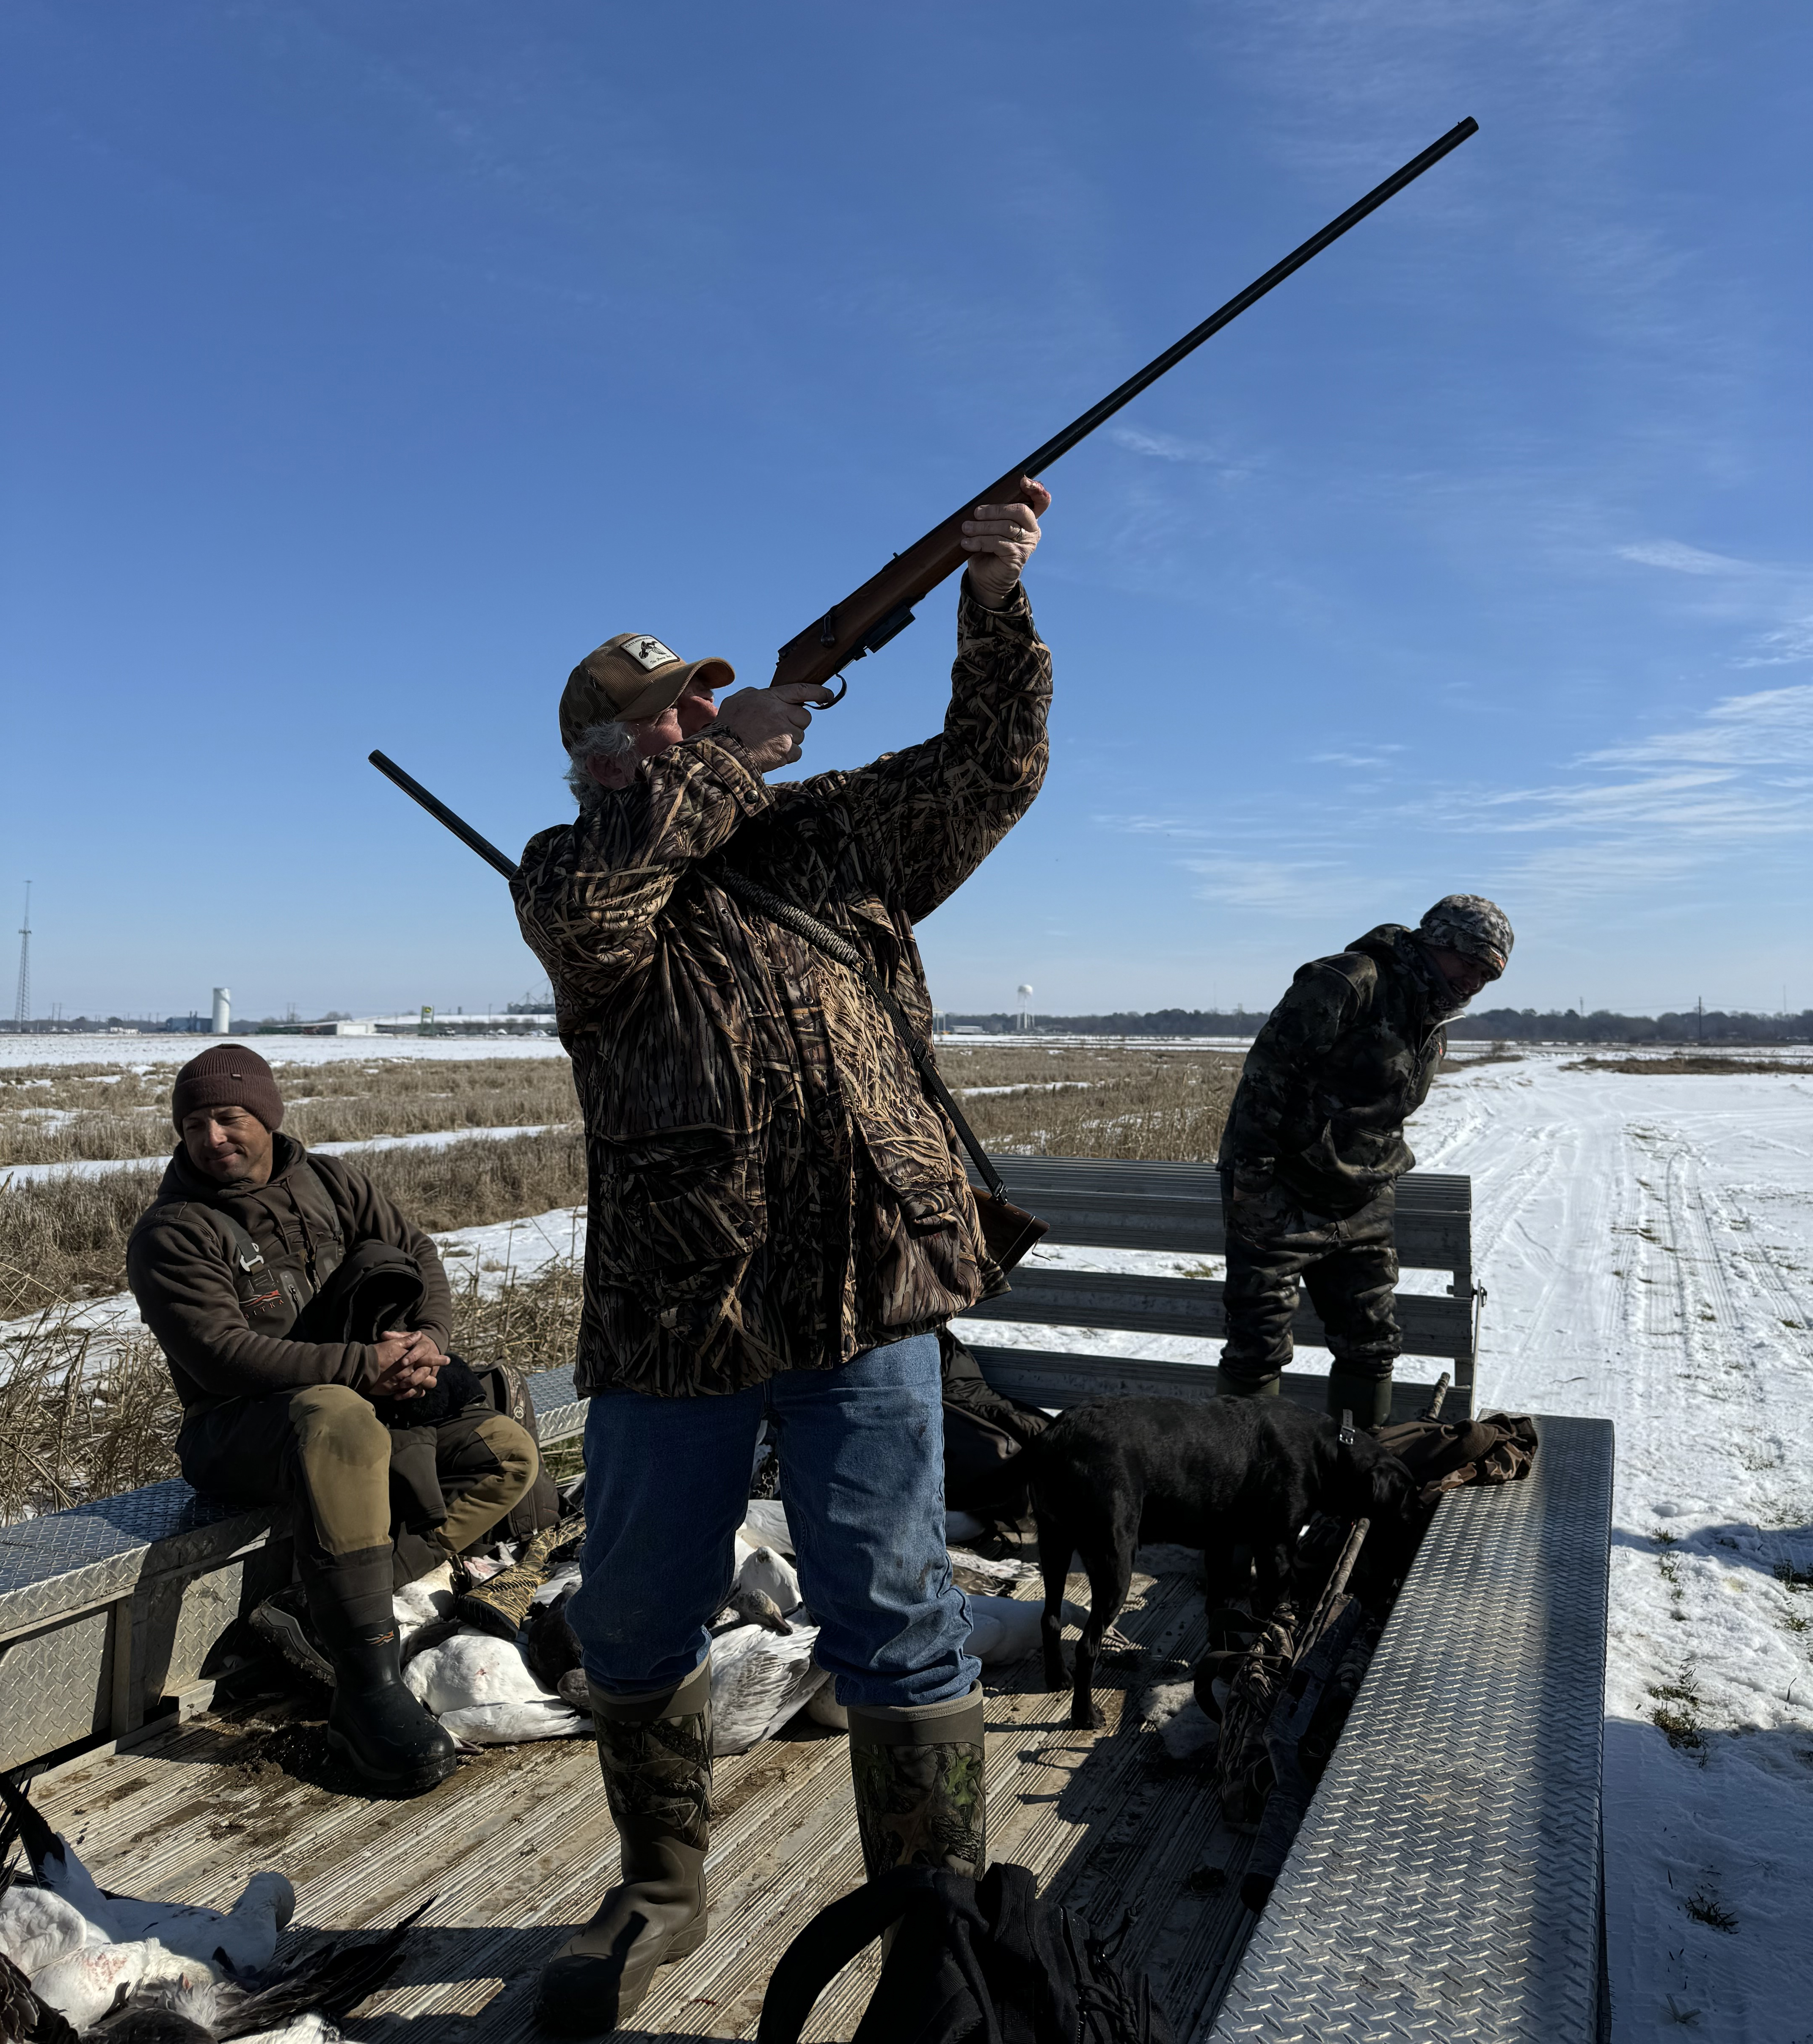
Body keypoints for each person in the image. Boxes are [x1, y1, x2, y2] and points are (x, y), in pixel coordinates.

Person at [510, 485, 1053, 2030]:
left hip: (859, 1291)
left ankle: (936, 1941)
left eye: (696, 701)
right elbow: (620, 887)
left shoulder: (822, 842)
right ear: (602, 758)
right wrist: (734, 752)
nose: (687, 724)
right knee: (629, 1620)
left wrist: (991, 598)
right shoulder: (568, 873)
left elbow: (991, 767)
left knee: (892, 1610)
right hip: (674, 1312)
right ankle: (664, 1890)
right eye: (659, 719)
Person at [126, 1044, 541, 1797]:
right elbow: (223, 1357)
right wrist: (366, 1369)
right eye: (193, 1125)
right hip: (238, 1431)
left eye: (229, 1118)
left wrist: (428, 1344)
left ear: (268, 1116)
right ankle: (365, 1690)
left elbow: (416, 1252)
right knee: (340, 1415)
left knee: (506, 1453)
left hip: (356, 1404)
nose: (212, 1138)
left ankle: (319, 1612)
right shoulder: (172, 1233)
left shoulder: (331, 1181)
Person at [1215, 895, 1514, 1426]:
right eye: (1469, 964)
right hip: (1281, 1191)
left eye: (1487, 976)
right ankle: (1248, 1484)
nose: (1474, 982)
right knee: (1257, 1343)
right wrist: (1253, 1178)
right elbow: (1267, 1074)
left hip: (1363, 1200)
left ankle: (1352, 1473)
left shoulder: (1431, 1011)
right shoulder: (1350, 981)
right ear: (1437, 943)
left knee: (1372, 1343)